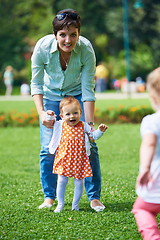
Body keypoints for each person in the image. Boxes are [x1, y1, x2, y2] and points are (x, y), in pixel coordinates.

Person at [31, 9, 106, 211]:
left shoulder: (86, 50)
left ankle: (94, 197)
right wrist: (41, 113)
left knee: (90, 147)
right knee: (48, 148)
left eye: (73, 34)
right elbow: (36, 84)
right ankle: (49, 197)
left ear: (79, 33)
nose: (68, 40)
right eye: (63, 35)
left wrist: (89, 127)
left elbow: (88, 90)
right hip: (50, 96)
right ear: (55, 35)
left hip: (77, 95)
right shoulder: (42, 48)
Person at [47, 96, 108, 212]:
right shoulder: (60, 125)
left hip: (79, 159)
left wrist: (100, 131)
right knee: (62, 180)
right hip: (64, 158)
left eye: (75, 113)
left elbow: (93, 136)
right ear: (62, 116)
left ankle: (75, 205)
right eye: (68, 114)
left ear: (80, 113)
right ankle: (60, 204)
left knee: (79, 182)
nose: (72, 116)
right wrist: (49, 115)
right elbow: (50, 121)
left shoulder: (83, 125)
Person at [132, 67, 160, 240]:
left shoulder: (152, 121)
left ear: (153, 96)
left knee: (142, 208)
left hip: (156, 181)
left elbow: (149, 144)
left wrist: (144, 168)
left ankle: (152, 237)